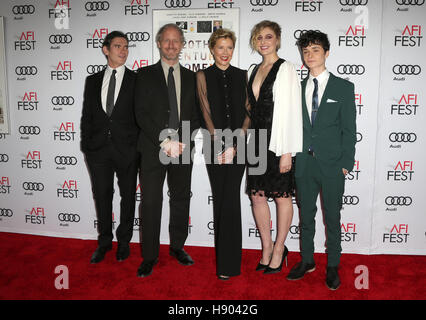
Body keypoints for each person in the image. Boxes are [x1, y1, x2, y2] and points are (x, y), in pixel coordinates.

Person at [287, 30, 356, 290]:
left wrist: (345, 163)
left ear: (327, 53)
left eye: (315, 50)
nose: (310, 55)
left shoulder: (343, 87)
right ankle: (307, 260)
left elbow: (349, 130)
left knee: (333, 218)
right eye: (306, 51)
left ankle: (333, 265)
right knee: (306, 216)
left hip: (332, 164)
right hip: (304, 163)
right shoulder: (297, 87)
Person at [134, 23, 200, 278]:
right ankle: (149, 256)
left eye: (176, 41)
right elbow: (141, 114)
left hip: (182, 147)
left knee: (181, 198)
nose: (171, 45)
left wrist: (181, 141)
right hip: (153, 148)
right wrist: (165, 141)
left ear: (183, 44)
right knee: (150, 202)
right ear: (159, 43)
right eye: (167, 40)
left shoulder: (194, 78)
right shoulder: (143, 75)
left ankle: (177, 247)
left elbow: (196, 116)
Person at [246, 21, 302, 274]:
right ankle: (266, 247)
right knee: (257, 195)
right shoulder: (253, 70)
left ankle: (280, 248)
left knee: (282, 197)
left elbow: (292, 112)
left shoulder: (286, 68)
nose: (263, 41)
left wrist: (287, 151)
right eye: (259, 37)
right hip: (256, 140)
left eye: (268, 36)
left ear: (278, 40)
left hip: (278, 141)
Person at [80, 31, 139, 264]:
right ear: (105, 49)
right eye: (117, 46)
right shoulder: (92, 80)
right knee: (102, 196)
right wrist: (86, 145)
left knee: (127, 197)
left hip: (128, 151)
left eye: (126, 46)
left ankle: (124, 242)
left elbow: (141, 116)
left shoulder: (136, 80)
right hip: (98, 151)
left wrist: (137, 148)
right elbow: (87, 115)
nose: (123, 50)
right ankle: (104, 242)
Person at [196, 28, 250, 280]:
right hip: (213, 146)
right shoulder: (202, 76)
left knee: (231, 200)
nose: (225, 52)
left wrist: (235, 144)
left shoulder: (243, 75)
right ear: (212, 49)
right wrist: (221, 145)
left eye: (229, 47)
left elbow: (249, 111)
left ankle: (230, 265)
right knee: (221, 199)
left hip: (239, 146)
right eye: (220, 47)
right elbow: (205, 111)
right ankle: (224, 264)